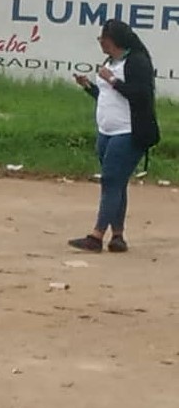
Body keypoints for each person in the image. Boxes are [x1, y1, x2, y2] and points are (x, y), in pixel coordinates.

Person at [70, 19, 160, 253]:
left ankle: (96, 235)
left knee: (110, 181)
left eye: (104, 39)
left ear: (114, 40)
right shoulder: (111, 61)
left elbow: (140, 95)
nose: (101, 43)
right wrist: (90, 86)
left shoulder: (137, 62)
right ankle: (118, 235)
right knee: (116, 183)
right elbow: (108, 96)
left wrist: (112, 79)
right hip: (107, 131)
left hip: (127, 131)